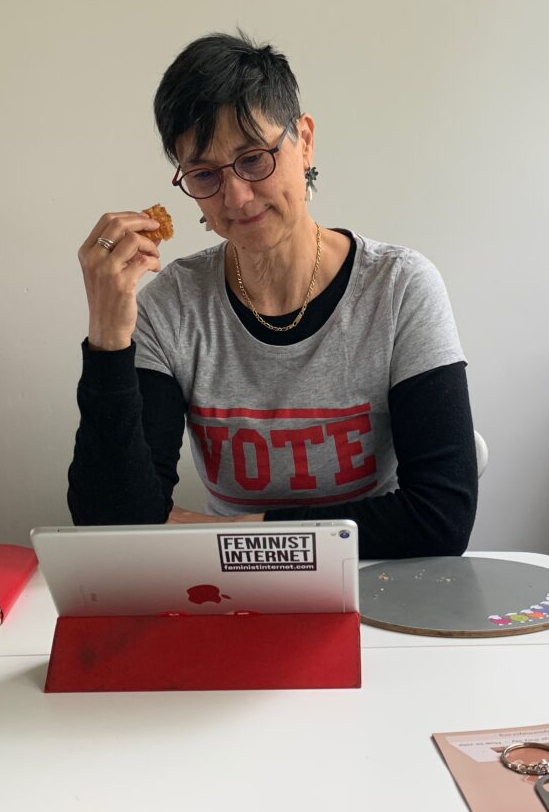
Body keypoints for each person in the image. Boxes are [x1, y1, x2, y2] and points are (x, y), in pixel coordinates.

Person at [68, 31, 477, 558]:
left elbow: (441, 518)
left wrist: (243, 533)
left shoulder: (399, 288)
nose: (235, 195)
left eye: (254, 158)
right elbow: (113, 528)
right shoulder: (171, 307)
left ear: (303, 141)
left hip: (373, 581)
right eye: (204, 173)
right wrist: (107, 336)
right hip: (230, 594)